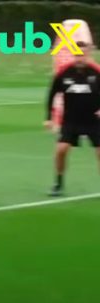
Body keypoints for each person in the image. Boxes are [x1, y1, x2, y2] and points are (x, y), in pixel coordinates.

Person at [45, 41, 100, 197]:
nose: (79, 58)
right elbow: (52, 94)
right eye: (77, 55)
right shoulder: (64, 72)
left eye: (82, 54)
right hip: (70, 121)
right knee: (61, 150)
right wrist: (48, 118)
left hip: (94, 121)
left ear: (88, 54)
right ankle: (58, 183)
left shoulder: (96, 72)